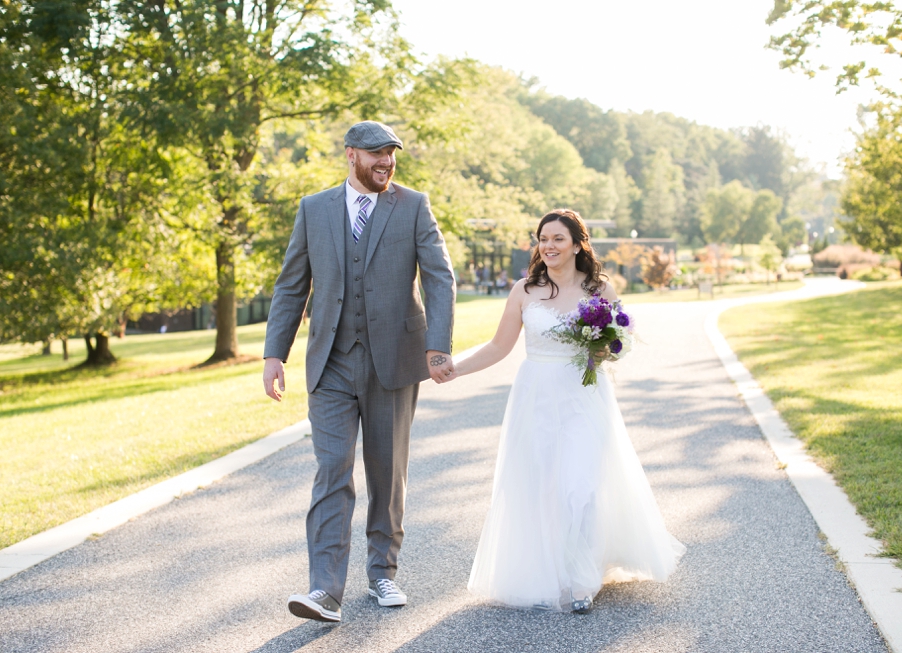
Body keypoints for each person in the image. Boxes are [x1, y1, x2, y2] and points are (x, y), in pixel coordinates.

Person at [443, 208, 684, 613]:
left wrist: (603, 346)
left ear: (577, 244)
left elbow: (618, 344)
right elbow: (499, 347)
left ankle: (581, 578)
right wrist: (456, 368)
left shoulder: (599, 291)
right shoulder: (524, 290)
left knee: (583, 486)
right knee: (546, 487)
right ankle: (552, 567)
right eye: (543, 239)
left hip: (584, 395)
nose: (549, 246)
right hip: (535, 395)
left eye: (557, 238)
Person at [262, 121, 456, 623]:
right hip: (330, 361)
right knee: (332, 470)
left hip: (394, 358)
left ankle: (382, 570)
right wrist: (274, 353)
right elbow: (290, 286)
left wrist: (438, 347)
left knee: (387, 471)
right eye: (376, 154)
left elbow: (439, 278)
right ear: (351, 155)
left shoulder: (413, 205)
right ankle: (324, 590)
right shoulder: (314, 209)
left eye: (391, 153)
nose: (386, 162)